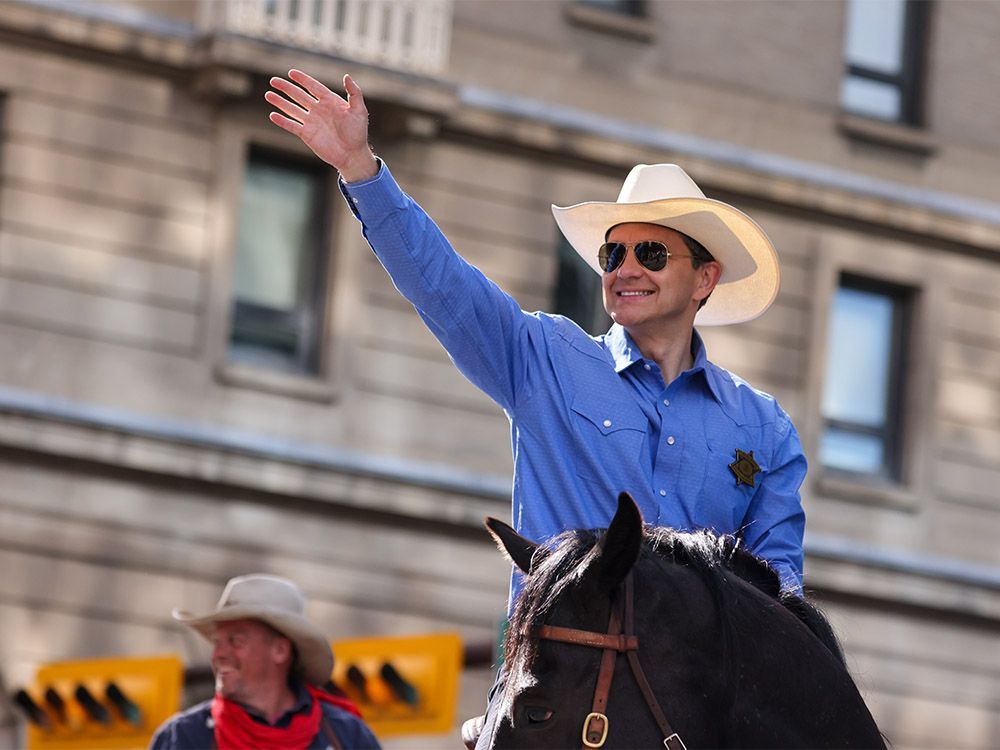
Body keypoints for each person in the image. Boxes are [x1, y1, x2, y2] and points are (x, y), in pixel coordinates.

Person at [264, 71, 806, 593]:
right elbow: (441, 284)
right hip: (558, 680)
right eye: (613, 253)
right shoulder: (542, 358)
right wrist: (360, 167)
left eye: (653, 253)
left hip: (690, 685)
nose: (626, 269)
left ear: (704, 278)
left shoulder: (765, 429)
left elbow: (781, 593)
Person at [150, 574, 380, 750]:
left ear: (280, 650)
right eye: (218, 642)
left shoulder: (347, 735)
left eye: (235, 641)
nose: (217, 654)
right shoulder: (183, 738)